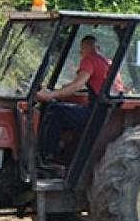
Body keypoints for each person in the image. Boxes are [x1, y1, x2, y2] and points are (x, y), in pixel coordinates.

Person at [36, 35, 109, 163]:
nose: (81, 53)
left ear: (85, 48)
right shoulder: (107, 62)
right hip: (104, 111)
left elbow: (76, 85)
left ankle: (47, 157)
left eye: (81, 50)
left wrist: (49, 95)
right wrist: (59, 90)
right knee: (62, 108)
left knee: (54, 110)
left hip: (95, 114)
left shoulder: (89, 60)